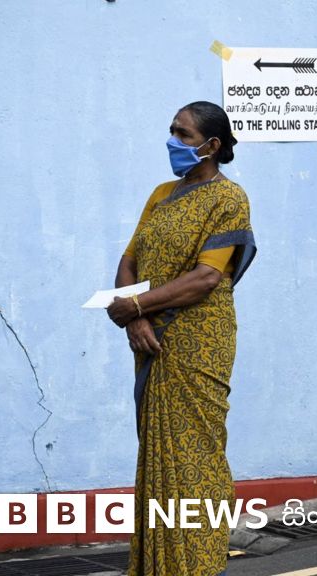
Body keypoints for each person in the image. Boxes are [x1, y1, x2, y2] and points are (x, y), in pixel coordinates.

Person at [107, 101, 256, 576]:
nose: (173, 141)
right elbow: (130, 260)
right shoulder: (162, 194)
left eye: (183, 134)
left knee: (196, 452)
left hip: (198, 340)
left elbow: (206, 278)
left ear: (211, 145)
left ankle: (198, 565)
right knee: (158, 454)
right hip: (151, 337)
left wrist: (136, 307)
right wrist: (135, 317)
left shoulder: (228, 199)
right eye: (172, 130)